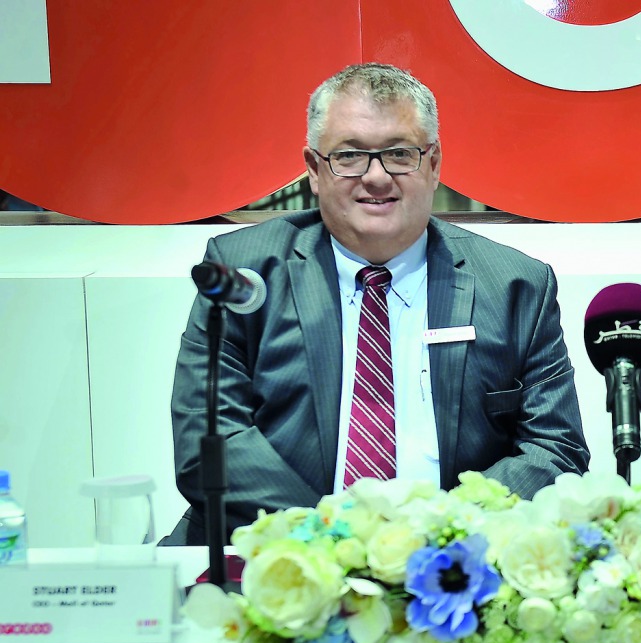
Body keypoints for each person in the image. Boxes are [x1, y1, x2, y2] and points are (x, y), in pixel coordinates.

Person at [168, 63, 588, 544]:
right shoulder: (245, 273)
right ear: (313, 169)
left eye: (399, 154)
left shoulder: (515, 285)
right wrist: (341, 540)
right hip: (277, 552)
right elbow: (210, 445)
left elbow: (555, 451)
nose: (376, 177)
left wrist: (434, 535)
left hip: (452, 561)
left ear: (433, 165)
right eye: (348, 156)